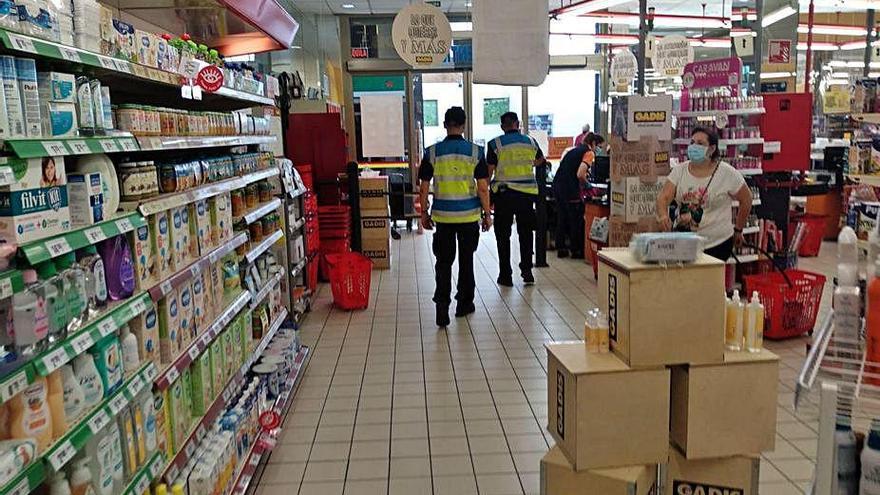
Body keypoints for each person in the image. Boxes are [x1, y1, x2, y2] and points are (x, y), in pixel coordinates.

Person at [419, 107, 492, 327]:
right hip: (469, 217)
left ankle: (442, 307)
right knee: (466, 261)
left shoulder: (432, 152)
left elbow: (423, 187)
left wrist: (423, 212)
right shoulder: (476, 152)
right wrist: (487, 214)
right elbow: (482, 188)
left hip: (443, 218)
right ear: (464, 124)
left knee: (443, 263)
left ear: (444, 124)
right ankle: (464, 304)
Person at [656, 126, 753, 261]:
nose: (694, 147)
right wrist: (662, 216)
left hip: (718, 244)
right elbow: (663, 197)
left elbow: (746, 199)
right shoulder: (680, 171)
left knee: (709, 281)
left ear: (712, 149)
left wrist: (738, 229)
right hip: (685, 243)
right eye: (692, 142)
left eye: (700, 144)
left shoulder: (726, 173)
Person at [486, 111, 544, 286]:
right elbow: (541, 160)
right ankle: (527, 271)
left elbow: (488, 172)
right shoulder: (531, 142)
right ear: (517, 124)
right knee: (526, 234)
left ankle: (505, 275)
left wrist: (486, 196)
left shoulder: (495, 144)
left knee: (503, 235)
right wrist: (528, 165)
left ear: (503, 126)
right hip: (526, 195)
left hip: (504, 195)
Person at [552, 143, 590, 259]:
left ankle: (561, 248)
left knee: (562, 218)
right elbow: (580, 174)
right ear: (593, 144)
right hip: (570, 189)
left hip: (558, 186)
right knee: (575, 219)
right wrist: (588, 185)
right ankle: (576, 250)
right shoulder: (589, 153)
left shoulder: (573, 151)